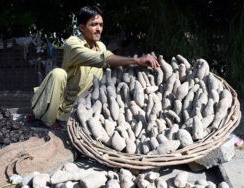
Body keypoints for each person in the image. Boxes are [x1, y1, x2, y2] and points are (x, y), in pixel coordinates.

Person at [28, 6, 159, 129]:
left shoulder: (100, 46)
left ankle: (59, 118)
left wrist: (137, 64)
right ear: (81, 27)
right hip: (61, 103)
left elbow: (109, 58)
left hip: (80, 107)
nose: (98, 29)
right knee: (58, 73)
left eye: (100, 25)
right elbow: (100, 59)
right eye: (93, 25)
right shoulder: (72, 43)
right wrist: (136, 60)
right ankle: (48, 121)